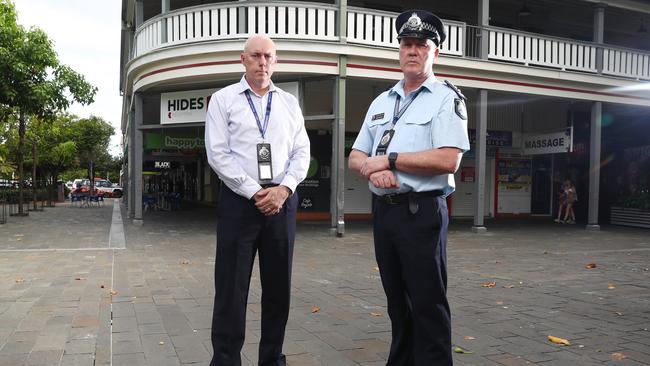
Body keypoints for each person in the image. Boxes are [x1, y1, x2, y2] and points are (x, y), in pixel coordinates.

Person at [348, 10, 469, 366]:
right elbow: (356, 155)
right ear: (399, 50)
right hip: (385, 214)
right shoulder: (381, 101)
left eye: (421, 45)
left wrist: (390, 160)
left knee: (428, 305)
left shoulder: (447, 98)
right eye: (406, 44)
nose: (413, 51)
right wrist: (371, 171)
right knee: (397, 304)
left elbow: (449, 160)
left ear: (436, 52)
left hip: (423, 215)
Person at [204, 34, 310, 366]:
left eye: (268, 56)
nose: (262, 62)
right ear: (243, 60)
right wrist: (254, 191)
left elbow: (302, 152)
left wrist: (285, 189)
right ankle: (225, 359)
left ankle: (272, 359)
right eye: (256, 56)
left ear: (275, 61)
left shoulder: (290, 103)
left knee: (279, 290)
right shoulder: (224, 100)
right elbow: (218, 154)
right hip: (240, 203)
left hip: (282, 202)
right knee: (231, 289)